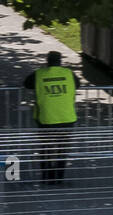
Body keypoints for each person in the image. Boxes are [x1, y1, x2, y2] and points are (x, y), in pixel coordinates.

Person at [24, 51, 79, 186]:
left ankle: (47, 177)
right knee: (62, 149)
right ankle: (59, 178)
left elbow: (26, 83)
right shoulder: (69, 74)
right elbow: (78, 85)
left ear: (47, 61)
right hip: (67, 118)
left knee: (46, 149)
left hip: (46, 119)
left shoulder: (39, 74)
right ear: (60, 61)